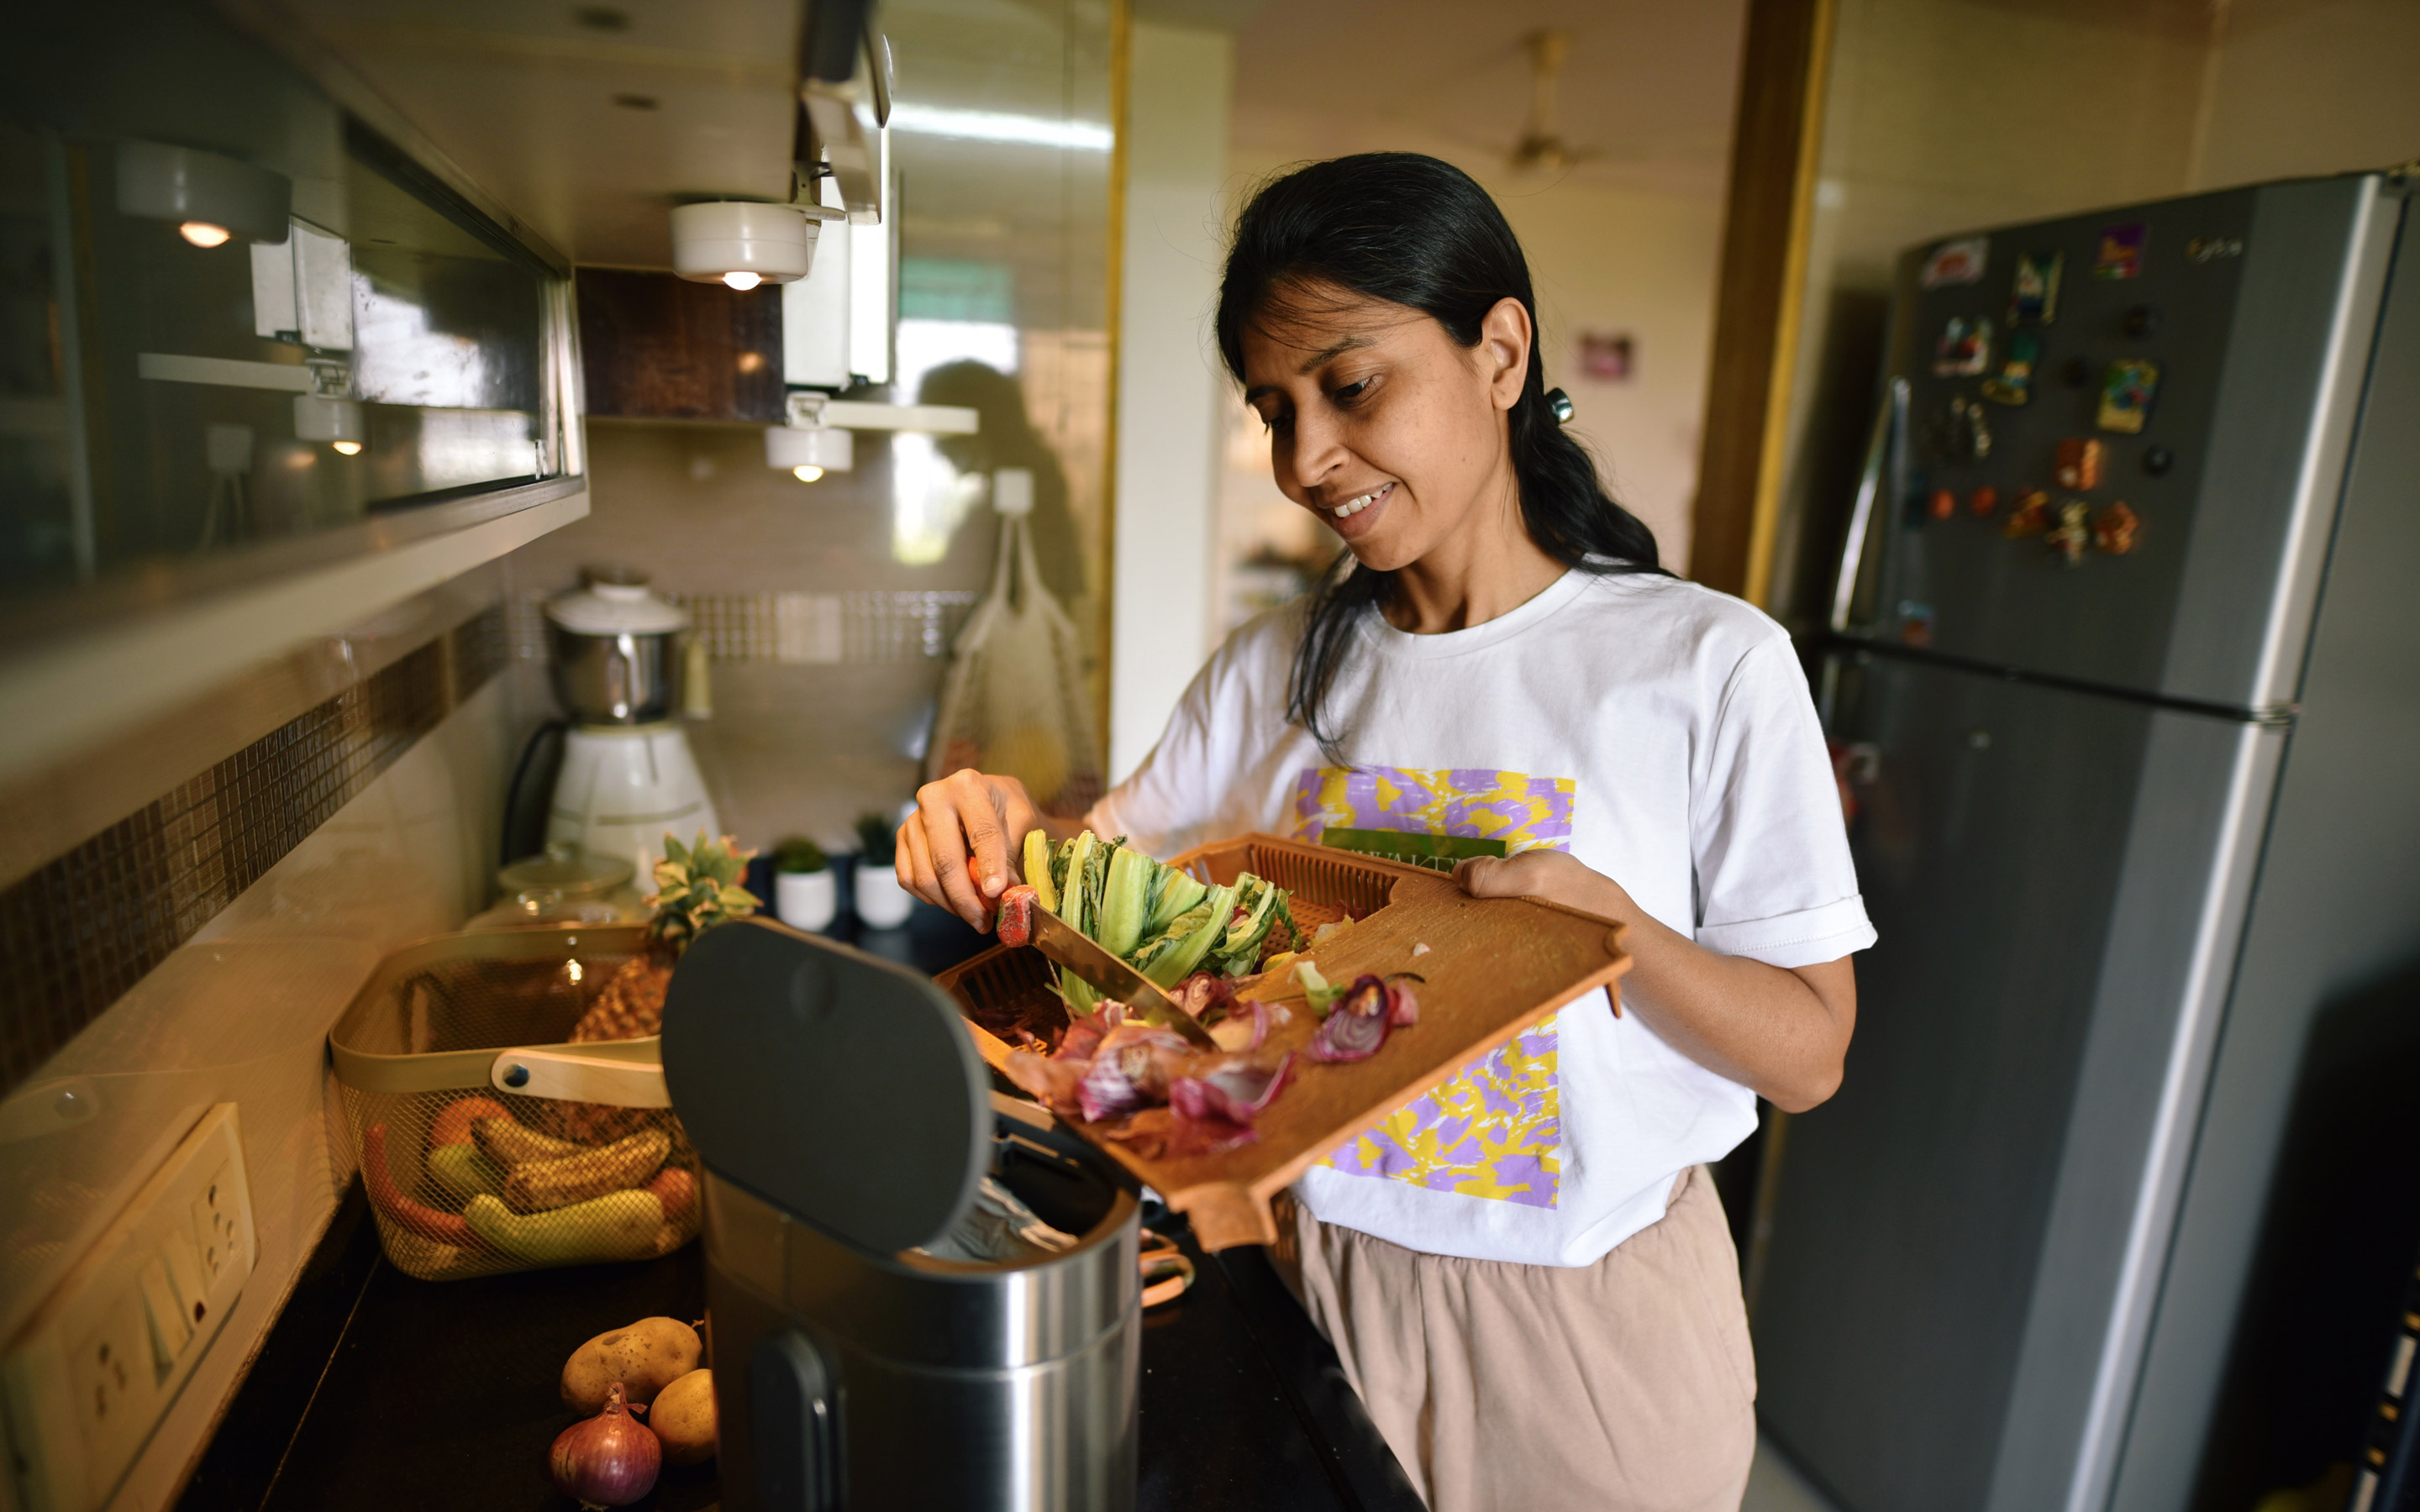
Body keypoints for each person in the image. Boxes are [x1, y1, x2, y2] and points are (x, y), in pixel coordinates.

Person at [896, 152, 1872, 1512]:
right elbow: (1094, 885)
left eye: (1351, 387)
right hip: (1307, 1283)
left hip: (1586, 1336)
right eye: (1274, 411)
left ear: (1500, 353)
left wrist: (1618, 936)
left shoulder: (1705, 664)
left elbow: (1811, 1054)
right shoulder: (1270, 669)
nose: (1306, 461)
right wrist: (998, 828)